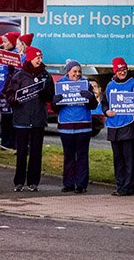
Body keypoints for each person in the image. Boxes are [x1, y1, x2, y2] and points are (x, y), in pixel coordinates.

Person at [5, 46, 54, 192]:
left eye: (40, 57)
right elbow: (9, 95)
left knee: (36, 152)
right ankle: (19, 181)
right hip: (22, 119)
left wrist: (45, 92)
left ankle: (33, 181)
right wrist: (15, 99)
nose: (39, 60)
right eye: (37, 57)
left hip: (38, 119)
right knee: (21, 152)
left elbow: (51, 95)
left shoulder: (45, 76)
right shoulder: (19, 76)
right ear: (30, 58)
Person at [52, 60, 99, 193]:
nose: (77, 74)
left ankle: (81, 184)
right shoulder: (60, 84)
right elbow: (55, 108)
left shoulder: (86, 84)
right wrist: (55, 102)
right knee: (69, 156)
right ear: (68, 72)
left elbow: (93, 105)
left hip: (83, 125)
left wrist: (90, 97)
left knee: (82, 155)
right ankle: (68, 183)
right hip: (66, 126)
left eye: (79, 71)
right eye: (74, 71)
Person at [101, 57, 134, 196]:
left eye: (124, 69)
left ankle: (128, 187)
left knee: (129, 158)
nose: (122, 72)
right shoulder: (110, 85)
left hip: (129, 125)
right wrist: (106, 111)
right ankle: (119, 185)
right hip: (113, 125)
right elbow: (105, 102)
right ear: (115, 71)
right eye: (119, 70)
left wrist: (130, 106)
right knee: (117, 158)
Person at [0, 31, 20, 151]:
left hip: (8, 92)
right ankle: (6, 142)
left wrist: (7, 90)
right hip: (2, 93)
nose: (3, 44)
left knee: (10, 118)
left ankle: (10, 142)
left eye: (6, 42)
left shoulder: (13, 56)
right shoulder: (4, 54)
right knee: (5, 118)